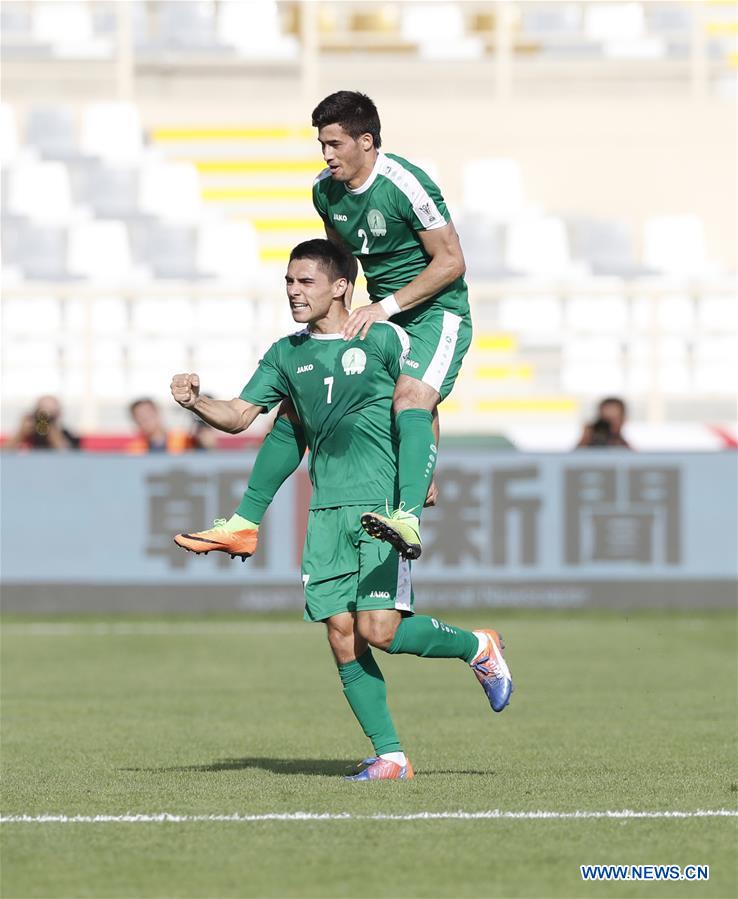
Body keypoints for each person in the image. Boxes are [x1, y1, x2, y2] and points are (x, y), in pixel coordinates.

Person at [171, 240, 512, 781]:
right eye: (288, 281)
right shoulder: (286, 353)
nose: (292, 291)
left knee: (379, 629)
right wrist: (195, 401)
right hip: (326, 511)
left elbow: (422, 402)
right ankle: (391, 756)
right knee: (341, 634)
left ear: (340, 286)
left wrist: (422, 472)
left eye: (304, 282)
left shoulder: (385, 336)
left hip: (380, 510)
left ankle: (477, 645)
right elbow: (239, 416)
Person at [176, 90, 470, 562]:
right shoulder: (324, 190)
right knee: (297, 407)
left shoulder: (406, 185)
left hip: (436, 311)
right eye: (321, 145)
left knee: (412, 396)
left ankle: (408, 517)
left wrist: (384, 307)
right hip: (376, 309)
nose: (327, 154)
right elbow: (342, 260)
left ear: (366, 141)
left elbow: (452, 261)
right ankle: (244, 523)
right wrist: (333, 316)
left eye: (335, 143)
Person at [7, 395, 80, 450]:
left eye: (49, 418)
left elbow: (68, 454)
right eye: (40, 416)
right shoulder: (28, 435)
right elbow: (4, 454)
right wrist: (21, 434)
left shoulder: (66, 435)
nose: (43, 421)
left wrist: (53, 434)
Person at [127, 397, 193, 454]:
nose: (145, 418)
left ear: (158, 412)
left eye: (148, 413)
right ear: (135, 420)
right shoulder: (134, 449)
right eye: (140, 416)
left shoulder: (184, 441)